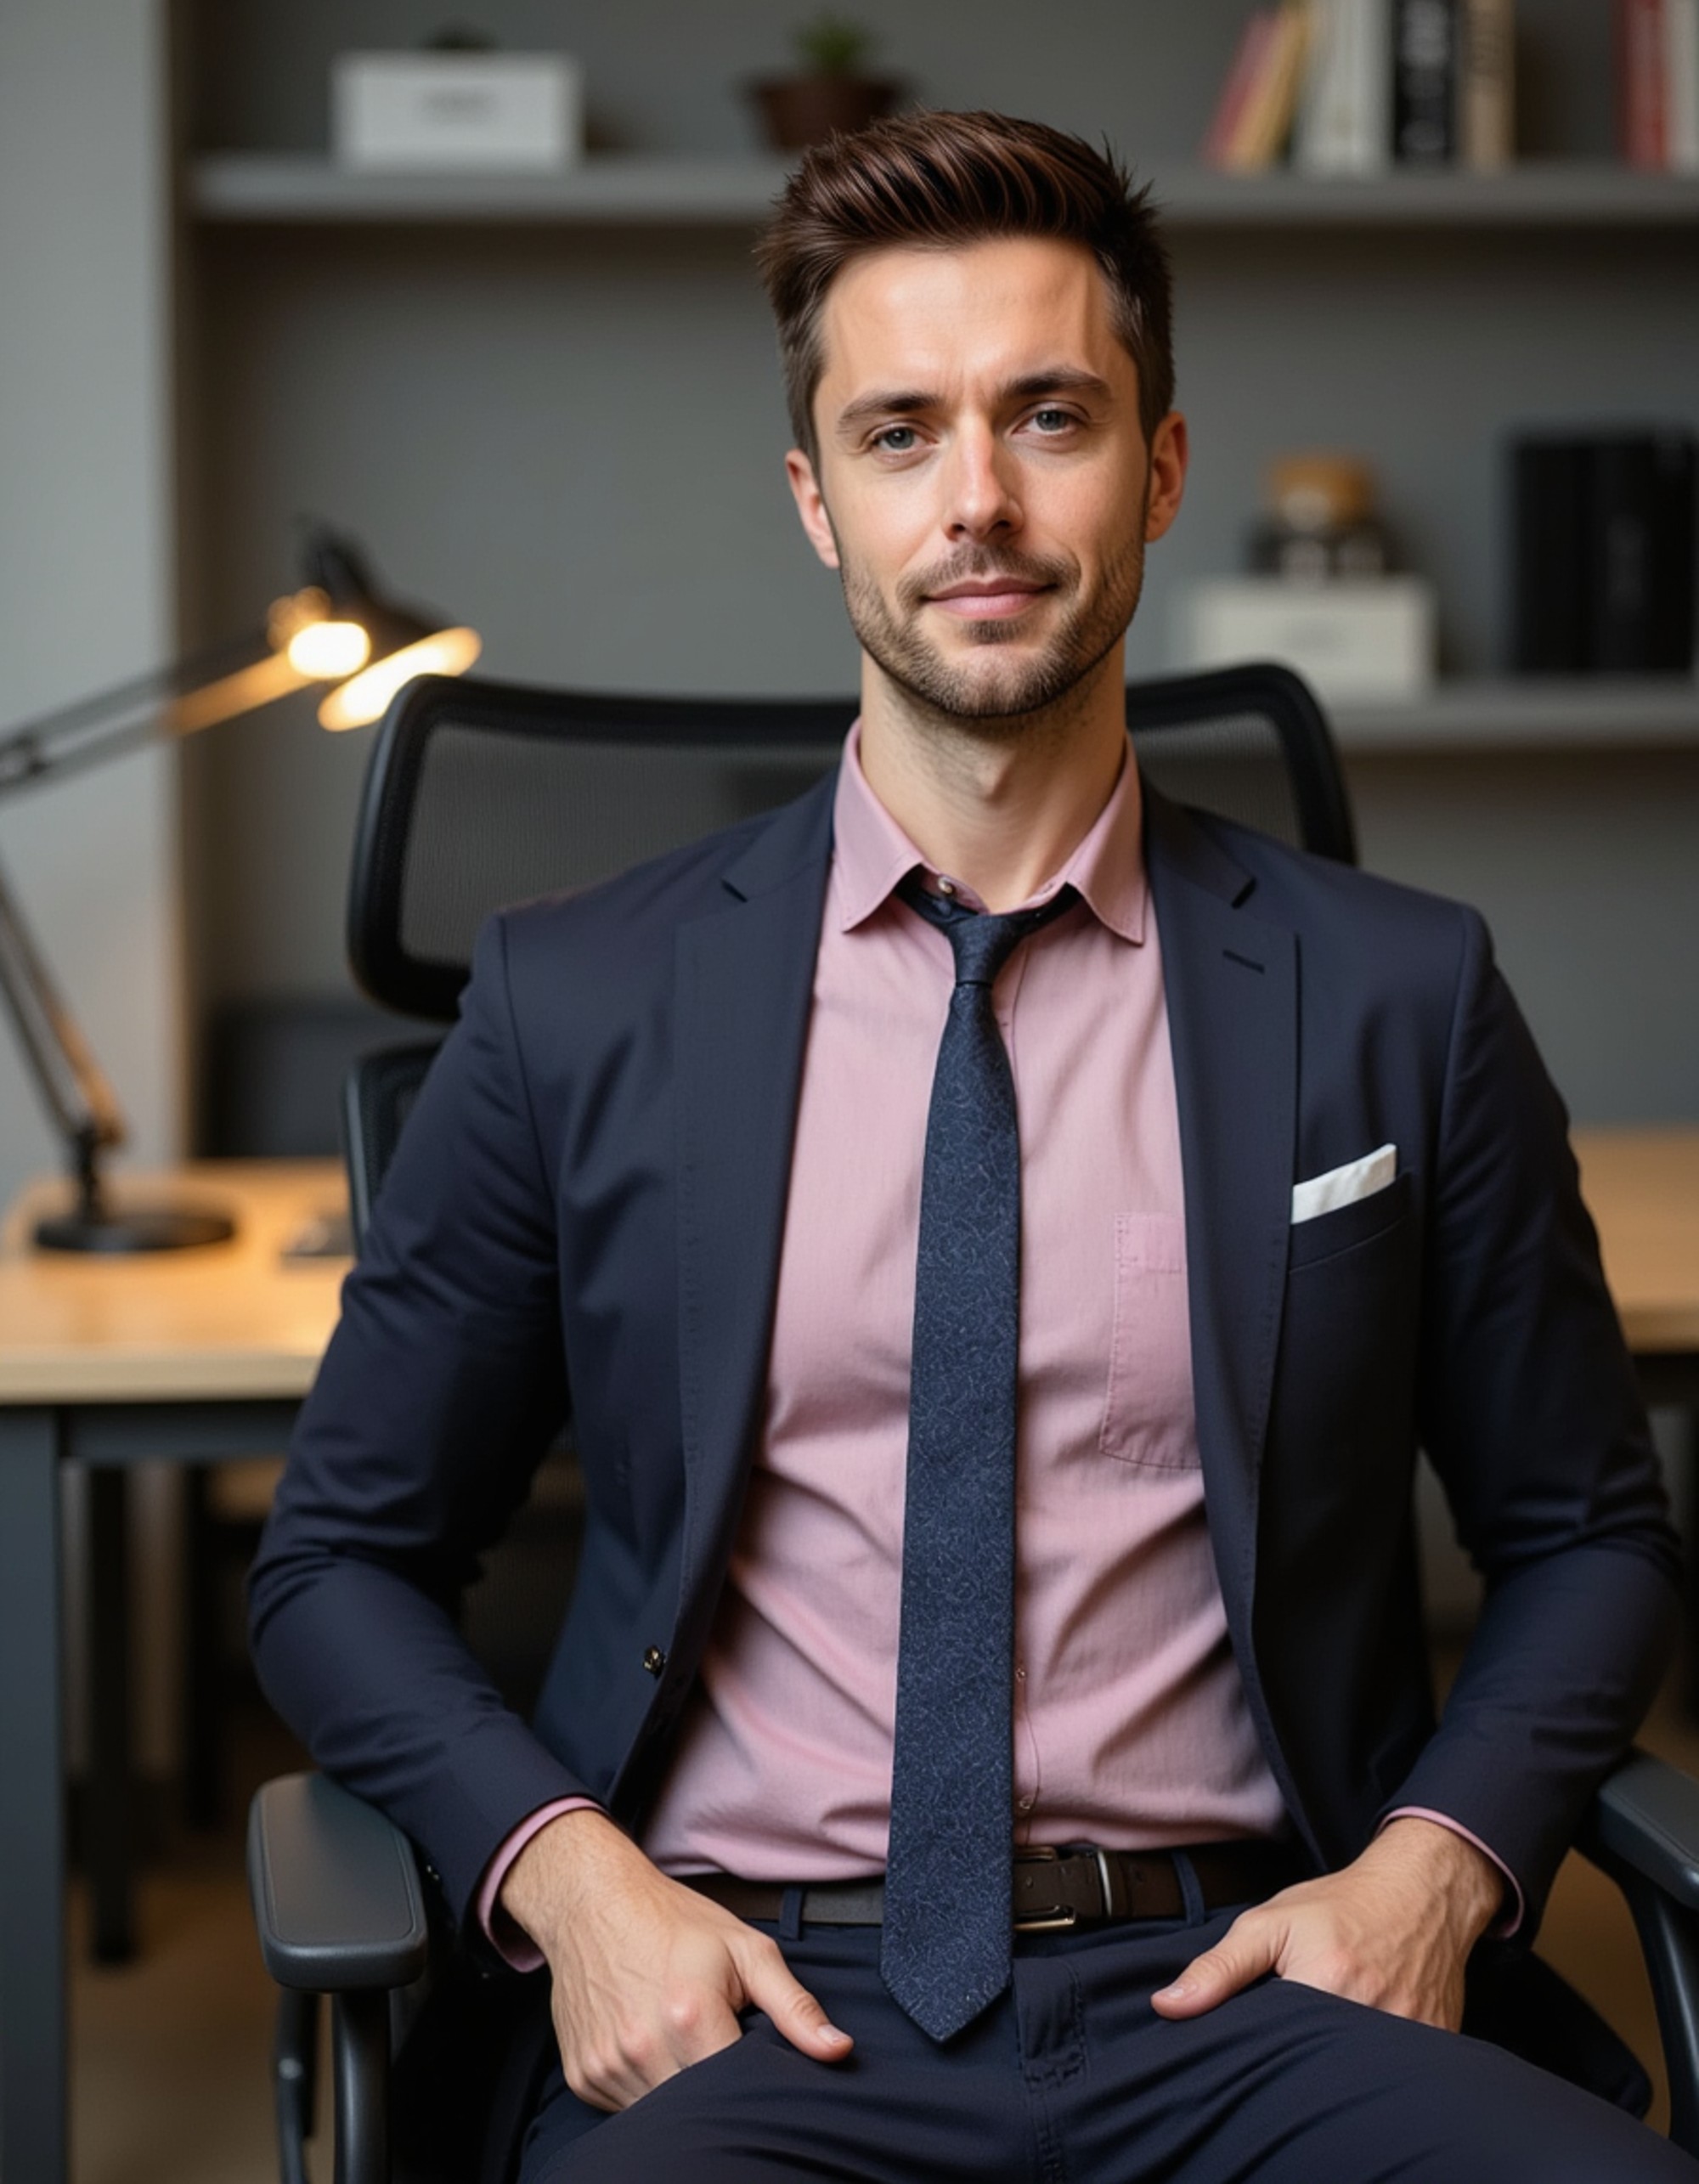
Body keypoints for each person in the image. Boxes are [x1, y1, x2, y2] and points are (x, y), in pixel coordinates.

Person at [250, 110, 1691, 2181]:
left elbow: (1587, 1534)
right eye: (901, 432)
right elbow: (336, 1563)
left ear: (1160, 470)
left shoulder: (1401, 990)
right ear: (816, 501)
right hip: (753, 2000)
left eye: (1049, 416)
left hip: (1252, 1985)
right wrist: (572, 1879)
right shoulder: (578, 997)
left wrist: (1434, 1868)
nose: (980, 501)